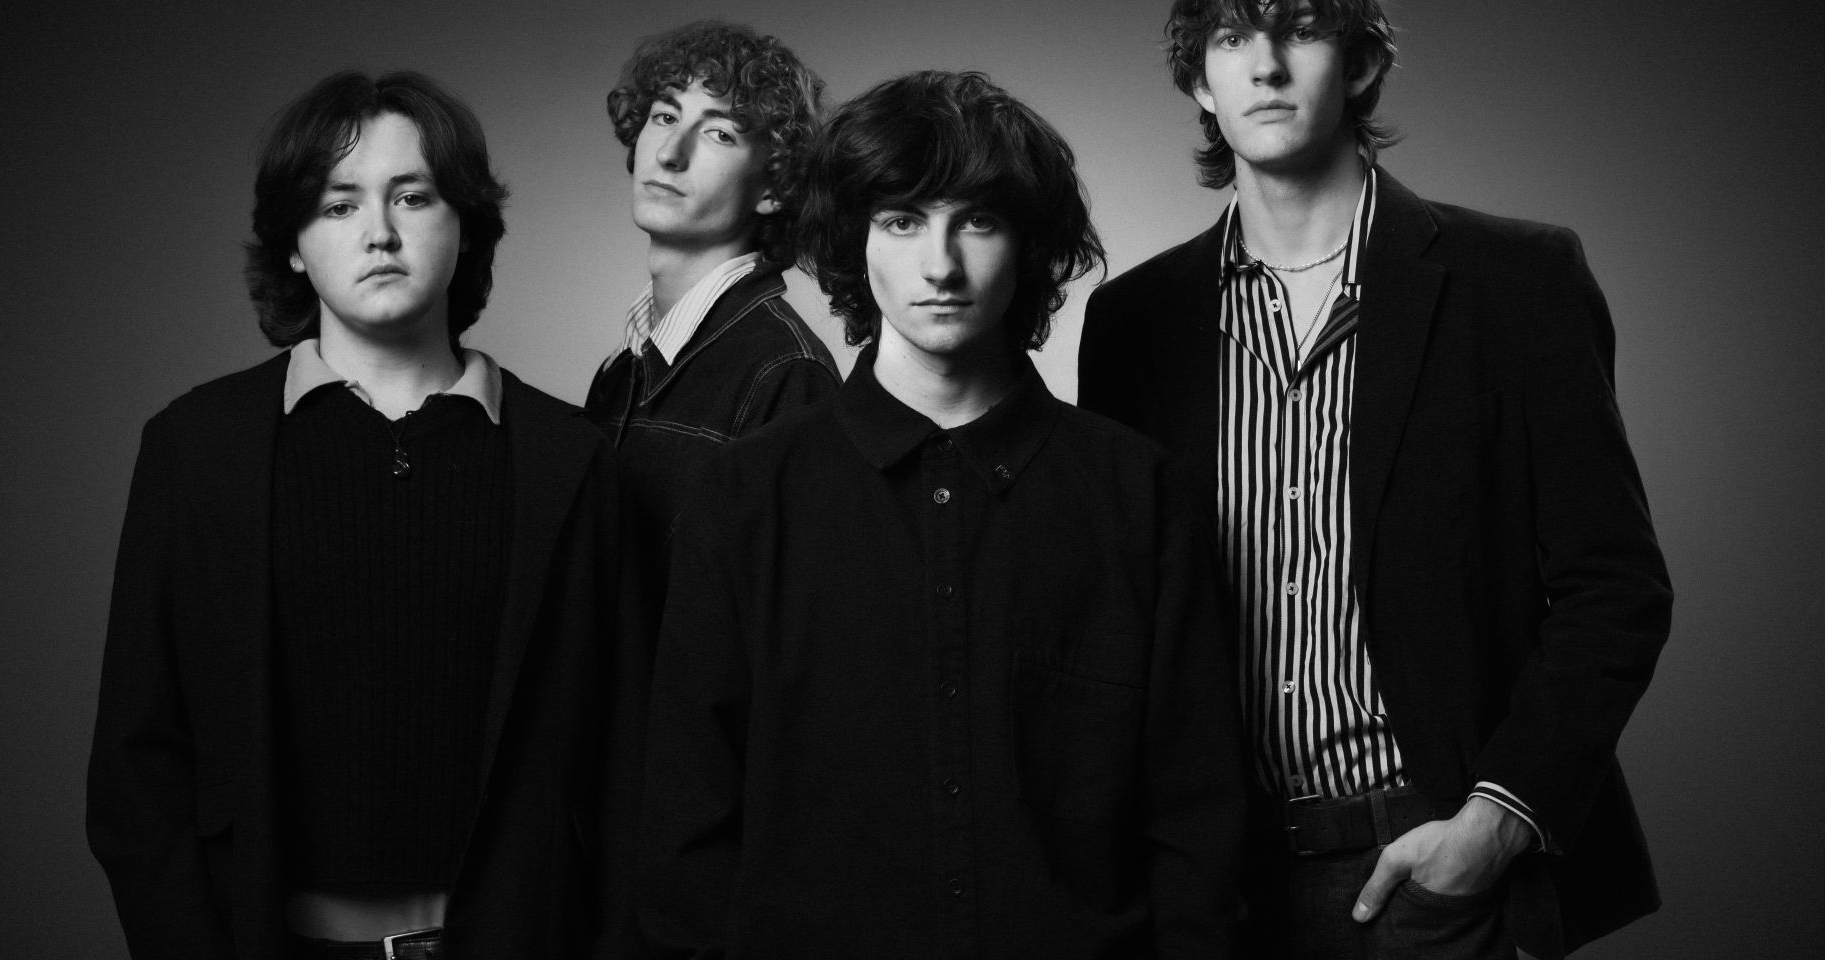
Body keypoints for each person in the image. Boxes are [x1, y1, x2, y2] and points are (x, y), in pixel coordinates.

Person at [1078, 3, 1673, 957]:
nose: (1266, 66)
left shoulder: (1519, 282)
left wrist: (1493, 825)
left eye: (1299, 29)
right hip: (1214, 891)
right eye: (1232, 39)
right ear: (1199, 82)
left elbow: (1616, 587)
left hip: (1431, 871)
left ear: (1358, 64)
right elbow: (1119, 617)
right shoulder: (1131, 324)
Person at [637, 70, 1246, 958]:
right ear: (854, 241)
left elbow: (1197, 829)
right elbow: (686, 836)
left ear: (1029, 246)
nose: (940, 265)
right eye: (902, 221)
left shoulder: (1140, 496)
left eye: (979, 222)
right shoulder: (744, 500)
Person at [87, 71, 637, 959]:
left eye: (412, 197)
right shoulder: (196, 449)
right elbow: (136, 762)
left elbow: (629, 764)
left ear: (466, 224)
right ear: (294, 246)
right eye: (338, 205)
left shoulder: (570, 460)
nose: (379, 231)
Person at [585, 20, 840, 559]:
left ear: (773, 187)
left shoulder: (787, 375)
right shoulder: (620, 371)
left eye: (719, 133)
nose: (669, 153)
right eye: (665, 116)